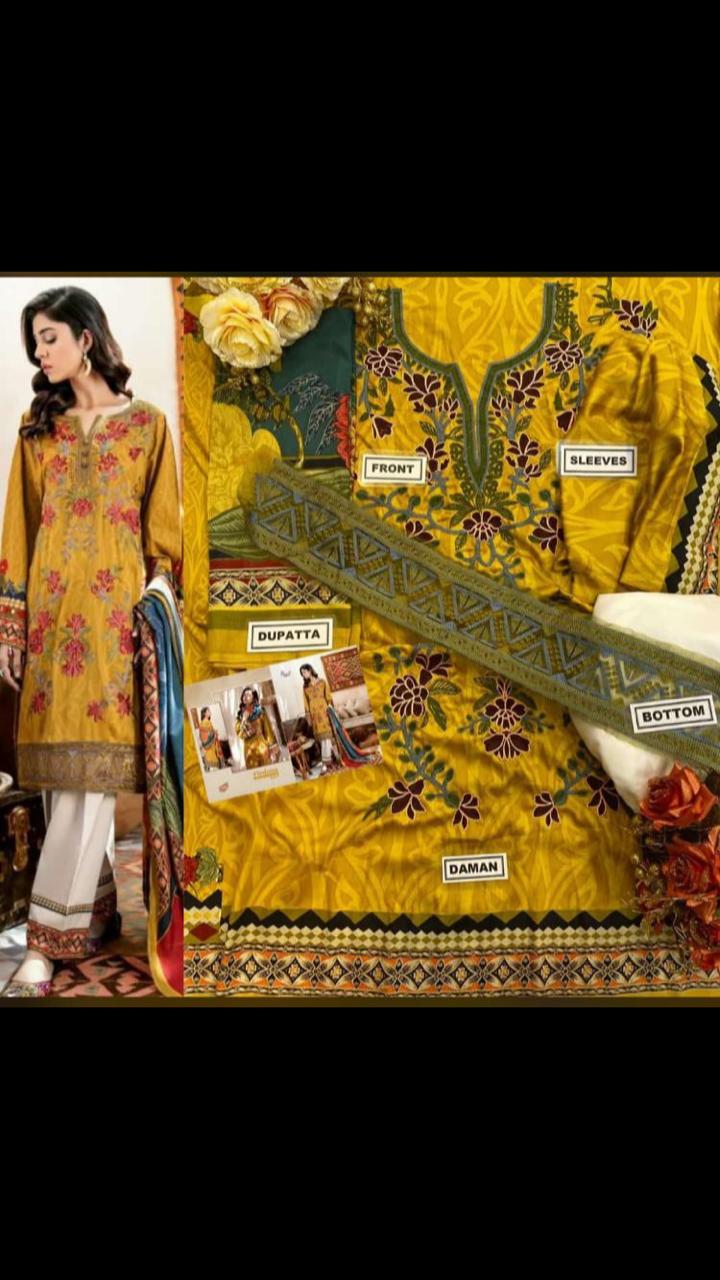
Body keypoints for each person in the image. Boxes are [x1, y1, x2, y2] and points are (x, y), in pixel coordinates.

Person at [0, 285, 181, 996]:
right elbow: (18, 532)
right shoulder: (36, 431)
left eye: (49, 337)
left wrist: (156, 617)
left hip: (114, 632)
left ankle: (45, 941)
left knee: (90, 783)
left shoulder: (148, 427)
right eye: (34, 342)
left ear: (86, 337)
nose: (39, 353)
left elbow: (164, 540)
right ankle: (95, 909)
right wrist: (11, 626)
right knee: (62, 781)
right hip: (51, 627)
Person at [300, 664, 341, 773]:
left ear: (310, 671)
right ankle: (333, 757)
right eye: (302, 673)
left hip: (324, 712)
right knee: (322, 738)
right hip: (315, 715)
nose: (303, 675)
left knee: (326, 737)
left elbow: (328, 697)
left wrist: (331, 710)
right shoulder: (305, 687)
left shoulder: (322, 682)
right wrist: (309, 717)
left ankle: (325, 762)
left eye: (304, 672)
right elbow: (306, 704)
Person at [236, 686, 278, 769]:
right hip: (249, 751)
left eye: (248, 695)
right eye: (244, 694)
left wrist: (272, 749)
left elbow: (268, 730)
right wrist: (244, 719)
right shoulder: (240, 716)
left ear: (253, 698)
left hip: (262, 748)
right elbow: (239, 733)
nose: (245, 696)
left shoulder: (260, 711)